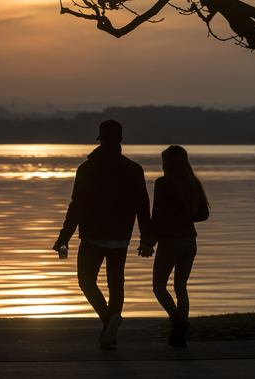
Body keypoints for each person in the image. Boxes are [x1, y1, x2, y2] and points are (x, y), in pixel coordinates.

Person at [53, 119, 152, 350]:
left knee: (86, 281)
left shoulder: (87, 168)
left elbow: (76, 206)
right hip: (121, 237)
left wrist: (63, 238)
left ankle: (108, 319)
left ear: (101, 139)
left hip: (92, 236)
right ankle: (111, 334)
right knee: (116, 284)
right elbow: (143, 208)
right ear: (121, 140)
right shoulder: (134, 169)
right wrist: (146, 240)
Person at [147, 145, 209, 347]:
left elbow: (158, 216)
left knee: (158, 286)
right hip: (190, 241)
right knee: (181, 287)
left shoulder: (163, 183)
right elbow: (203, 214)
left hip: (170, 241)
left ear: (166, 163)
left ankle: (177, 319)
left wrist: (148, 243)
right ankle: (179, 335)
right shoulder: (193, 183)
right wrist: (186, 218)